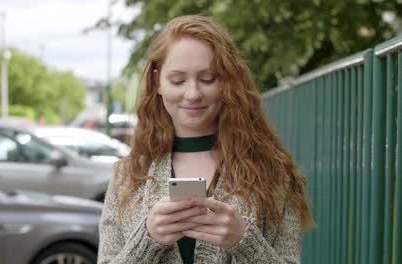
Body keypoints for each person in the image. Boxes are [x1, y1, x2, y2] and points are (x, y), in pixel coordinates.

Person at [98, 15, 314, 264]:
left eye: (208, 79)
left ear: (227, 81)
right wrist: (147, 240)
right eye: (177, 80)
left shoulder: (272, 173)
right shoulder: (127, 176)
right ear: (157, 81)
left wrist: (244, 242)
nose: (193, 94)